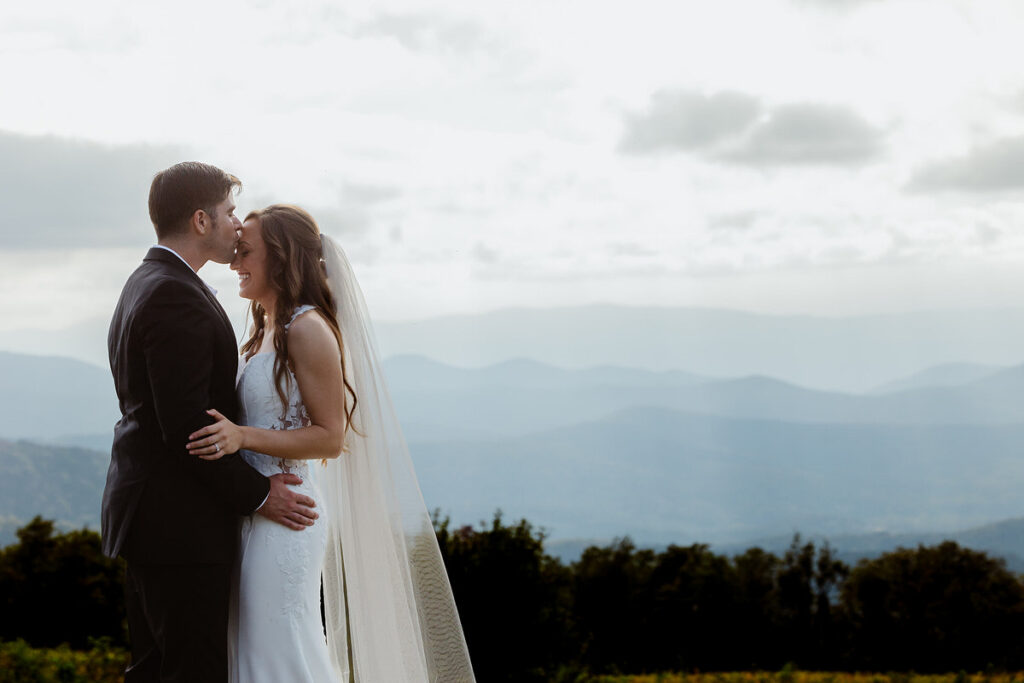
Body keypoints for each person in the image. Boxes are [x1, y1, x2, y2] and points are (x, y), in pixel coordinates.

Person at [186, 204, 476, 682]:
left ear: (280, 257)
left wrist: (242, 437)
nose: (235, 262)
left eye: (246, 252)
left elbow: (330, 436)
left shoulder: (307, 328)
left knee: (279, 652)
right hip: (255, 511)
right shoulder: (265, 331)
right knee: (255, 651)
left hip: (287, 521)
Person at [101, 162, 320, 683]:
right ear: (201, 220)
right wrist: (261, 495)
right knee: (188, 670)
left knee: (160, 669)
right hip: (179, 527)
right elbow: (189, 430)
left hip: (154, 518)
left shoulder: (147, 280)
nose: (236, 225)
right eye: (228, 212)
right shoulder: (175, 294)